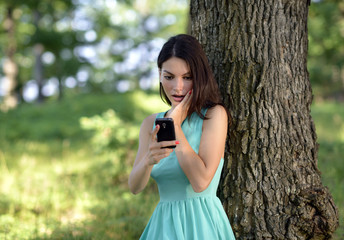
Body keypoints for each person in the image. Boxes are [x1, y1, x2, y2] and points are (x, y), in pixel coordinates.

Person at [128, 34, 236, 240]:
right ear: (160, 74)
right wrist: (149, 160)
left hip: (201, 224)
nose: (178, 87)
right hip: (163, 225)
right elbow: (135, 187)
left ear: (199, 76)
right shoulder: (150, 123)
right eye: (169, 77)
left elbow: (201, 182)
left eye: (187, 77)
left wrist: (176, 127)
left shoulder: (213, 115)